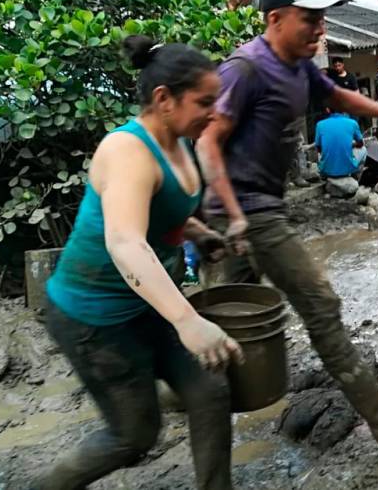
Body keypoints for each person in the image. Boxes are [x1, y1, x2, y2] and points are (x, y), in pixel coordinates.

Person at [197, 0, 378, 449]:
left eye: (321, 19)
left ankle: (182, 399)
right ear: (276, 19)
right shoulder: (243, 70)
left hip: (255, 212)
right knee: (319, 303)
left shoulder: (298, 67)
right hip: (244, 213)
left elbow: (335, 94)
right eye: (310, 19)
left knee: (226, 325)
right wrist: (232, 213)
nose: (319, 29)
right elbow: (207, 141)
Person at [37, 35, 241, 490]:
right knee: (133, 434)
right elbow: (126, 241)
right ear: (164, 99)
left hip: (145, 305)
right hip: (95, 320)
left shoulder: (182, 141)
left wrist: (201, 233)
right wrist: (188, 320)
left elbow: (164, 212)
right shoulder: (126, 150)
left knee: (210, 391)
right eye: (204, 102)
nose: (214, 112)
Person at [315, 111, 365, 179]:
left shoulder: (320, 124)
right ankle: (355, 176)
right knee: (363, 150)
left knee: (320, 154)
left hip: (326, 169)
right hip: (347, 169)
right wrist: (351, 145)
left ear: (327, 110)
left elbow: (318, 148)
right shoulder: (352, 123)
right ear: (344, 110)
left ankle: (325, 172)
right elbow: (360, 144)